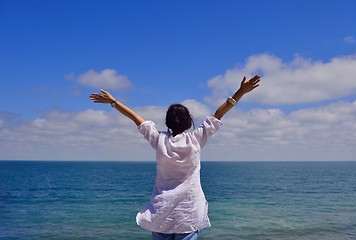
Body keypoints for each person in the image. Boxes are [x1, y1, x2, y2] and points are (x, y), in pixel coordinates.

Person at [89, 75, 260, 240]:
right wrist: (240, 92)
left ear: (168, 122)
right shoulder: (196, 139)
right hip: (189, 211)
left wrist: (113, 102)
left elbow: (136, 118)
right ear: (188, 121)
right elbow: (219, 114)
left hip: (162, 211)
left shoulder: (159, 140)